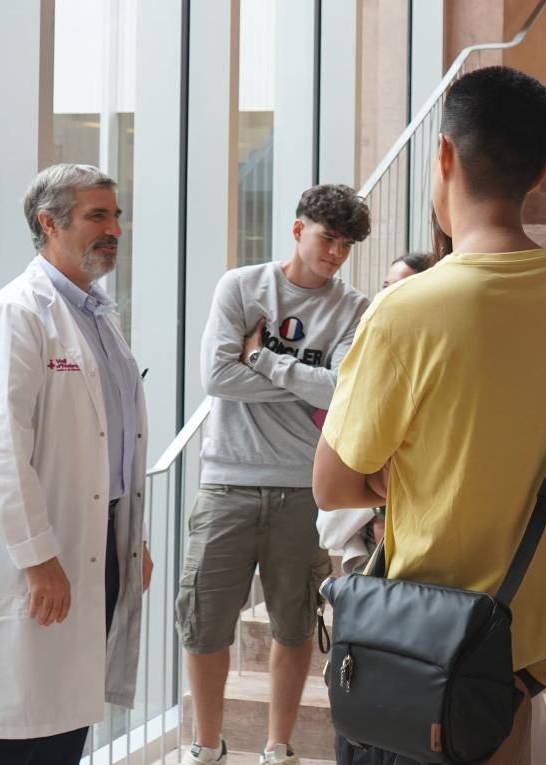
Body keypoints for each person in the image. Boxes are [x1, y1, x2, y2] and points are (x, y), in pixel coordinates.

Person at [314, 66, 546, 765]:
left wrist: (393, 477)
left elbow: (332, 483)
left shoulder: (407, 307)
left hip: (430, 649)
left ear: (443, 155)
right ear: (540, 175)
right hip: (527, 648)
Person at [0, 165, 152, 764]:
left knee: (62, 733)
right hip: (38, 556)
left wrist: (130, 540)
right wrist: (37, 558)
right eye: (97, 216)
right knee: (6, 738)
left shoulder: (98, 318)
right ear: (48, 222)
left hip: (96, 542)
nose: (114, 230)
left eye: (116, 216)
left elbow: (115, 440)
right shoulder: (16, 315)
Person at [178, 184, 372, 763]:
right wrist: (299, 384)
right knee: (204, 622)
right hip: (226, 480)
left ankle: (276, 747)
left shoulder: (354, 307)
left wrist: (261, 358)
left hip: (304, 486)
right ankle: (206, 746)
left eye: (346, 245)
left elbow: (342, 390)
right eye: (326, 238)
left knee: (294, 625)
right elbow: (216, 377)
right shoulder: (242, 286)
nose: (335, 253)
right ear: (297, 230)